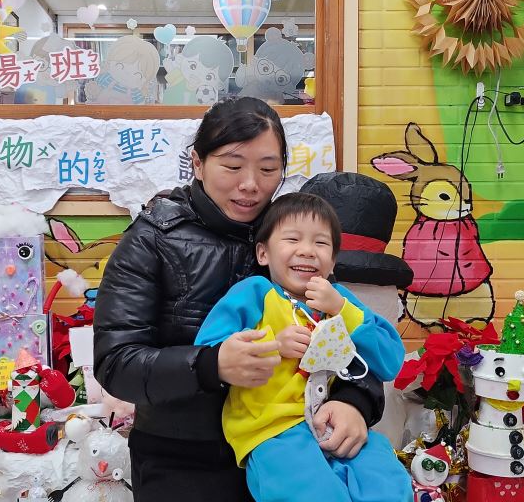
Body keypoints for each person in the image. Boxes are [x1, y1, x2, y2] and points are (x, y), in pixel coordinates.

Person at [94, 97, 385, 502]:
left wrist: (356, 401)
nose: (251, 184)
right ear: (198, 163)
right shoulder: (151, 239)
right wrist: (210, 365)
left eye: (267, 169)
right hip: (181, 459)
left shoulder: (292, 237)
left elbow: (346, 333)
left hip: (291, 449)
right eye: (233, 166)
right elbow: (116, 362)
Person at [194, 193, 412, 502]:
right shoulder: (254, 293)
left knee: (387, 480)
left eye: (321, 243)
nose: (307, 251)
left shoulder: (339, 300)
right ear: (263, 253)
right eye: (292, 239)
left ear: (333, 260)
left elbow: (390, 361)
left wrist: (343, 310)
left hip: (338, 422)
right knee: (313, 492)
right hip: (273, 430)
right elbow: (208, 351)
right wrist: (273, 345)